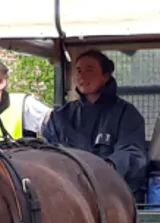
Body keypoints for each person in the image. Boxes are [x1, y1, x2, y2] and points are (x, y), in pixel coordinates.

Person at [42, 50, 150, 200]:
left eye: (89, 70)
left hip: (114, 194)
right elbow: (48, 152)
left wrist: (105, 168)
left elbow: (133, 152)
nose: (82, 76)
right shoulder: (60, 116)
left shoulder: (126, 113)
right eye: (78, 71)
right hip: (70, 194)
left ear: (106, 76)